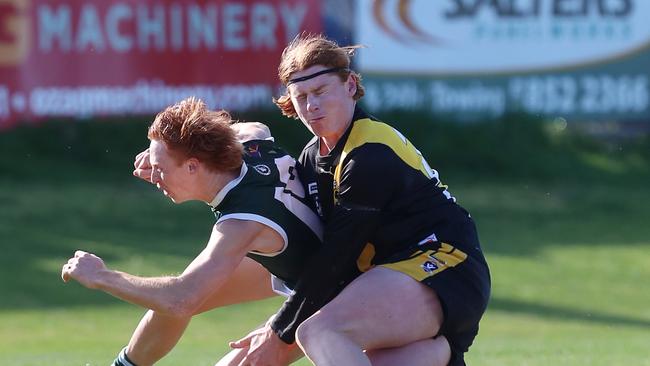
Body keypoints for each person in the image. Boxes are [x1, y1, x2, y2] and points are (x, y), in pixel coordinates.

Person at [234, 34, 491, 366]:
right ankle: (439, 355)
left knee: (319, 333)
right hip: (393, 278)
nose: (311, 105)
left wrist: (278, 328)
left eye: (320, 92)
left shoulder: (369, 154)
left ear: (351, 86)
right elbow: (307, 241)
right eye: (300, 96)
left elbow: (335, 258)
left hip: (446, 266)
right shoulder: (313, 157)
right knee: (331, 347)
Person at [61, 97, 322, 366]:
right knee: (177, 297)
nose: (153, 177)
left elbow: (181, 299)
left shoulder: (241, 223)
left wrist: (102, 276)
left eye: (161, 169)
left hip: (331, 290)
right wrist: (163, 152)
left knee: (183, 299)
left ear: (192, 165)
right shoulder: (251, 145)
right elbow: (254, 127)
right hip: (305, 257)